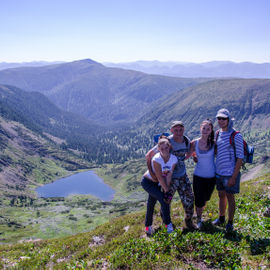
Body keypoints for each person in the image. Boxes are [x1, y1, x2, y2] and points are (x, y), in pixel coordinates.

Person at [146, 121, 196, 230]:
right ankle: (166, 223)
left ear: (184, 129)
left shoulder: (186, 140)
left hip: (182, 176)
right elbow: (149, 155)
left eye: (181, 129)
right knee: (166, 200)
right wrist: (152, 173)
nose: (178, 132)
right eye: (176, 130)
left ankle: (188, 222)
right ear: (171, 130)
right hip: (169, 177)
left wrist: (191, 157)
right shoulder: (167, 142)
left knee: (189, 199)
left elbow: (187, 154)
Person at [213, 108, 244, 232]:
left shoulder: (236, 135)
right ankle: (221, 218)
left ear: (228, 120)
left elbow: (240, 158)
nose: (221, 121)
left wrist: (233, 177)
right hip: (219, 172)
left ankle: (230, 223)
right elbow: (217, 152)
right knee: (221, 195)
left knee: (230, 197)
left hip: (230, 173)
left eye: (223, 119)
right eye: (219, 118)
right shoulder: (217, 133)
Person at [141, 138, 177, 235]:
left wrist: (167, 188)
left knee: (151, 204)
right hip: (148, 182)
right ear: (158, 149)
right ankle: (168, 224)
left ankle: (148, 227)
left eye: (166, 147)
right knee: (164, 200)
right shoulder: (156, 159)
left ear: (169, 147)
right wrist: (167, 191)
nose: (165, 150)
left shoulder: (174, 159)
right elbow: (159, 177)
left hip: (158, 183)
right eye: (162, 149)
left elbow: (169, 175)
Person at [185, 119, 216, 229]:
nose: (205, 130)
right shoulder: (195, 143)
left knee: (205, 198)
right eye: (204, 128)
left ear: (211, 130)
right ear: (200, 129)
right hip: (198, 176)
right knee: (198, 199)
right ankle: (199, 218)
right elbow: (186, 155)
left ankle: (199, 213)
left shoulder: (214, 143)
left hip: (211, 177)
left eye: (208, 129)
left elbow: (220, 157)